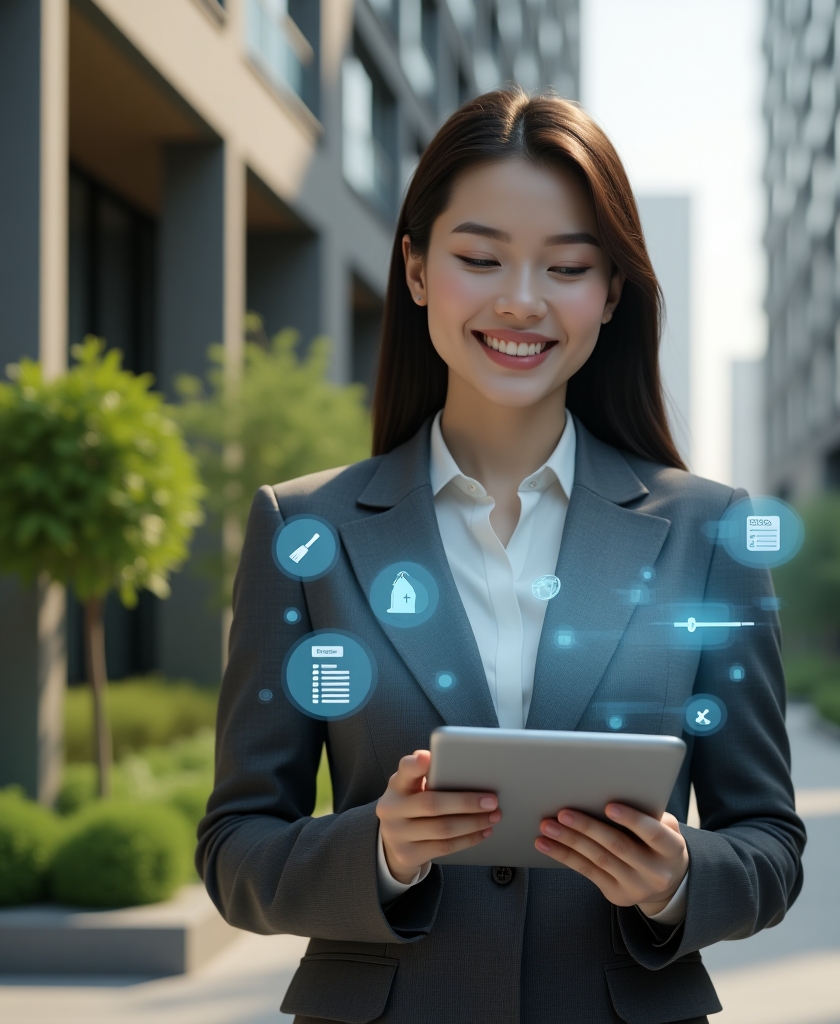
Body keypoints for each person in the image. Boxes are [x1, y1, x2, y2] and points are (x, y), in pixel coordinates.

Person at [197, 89, 805, 1024]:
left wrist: (678, 877)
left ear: (610, 293)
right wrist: (381, 850)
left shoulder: (707, 534)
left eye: (566, 266)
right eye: (480, 258)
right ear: (415, 268)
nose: (521, 300)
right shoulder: (302, 529)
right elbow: (235, 848)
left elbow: (769, 844)